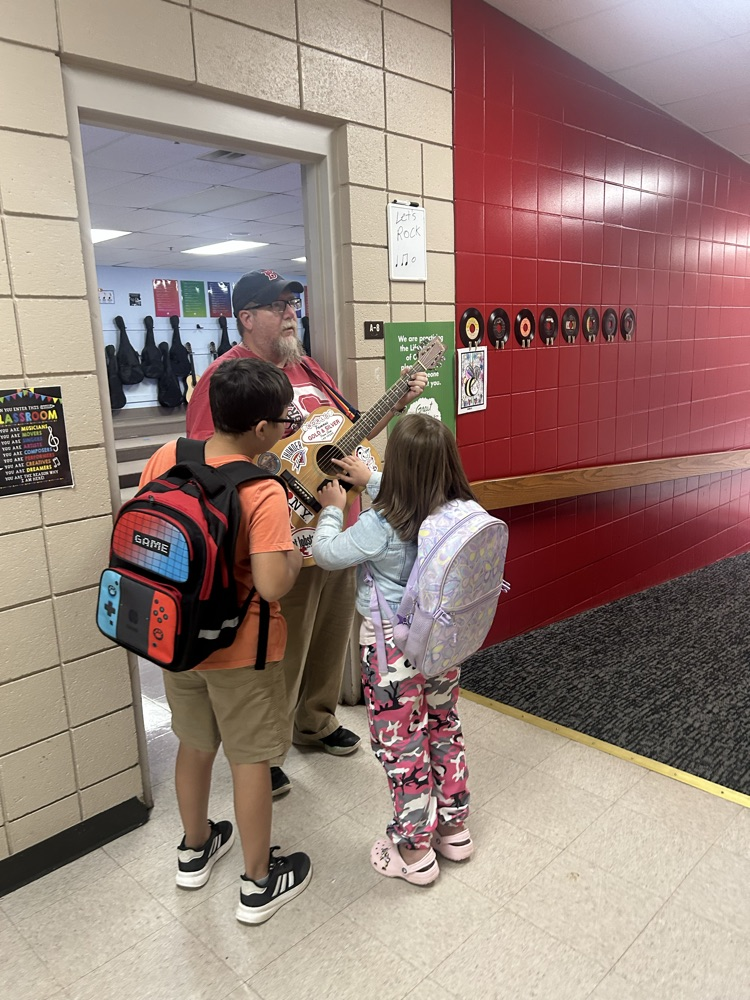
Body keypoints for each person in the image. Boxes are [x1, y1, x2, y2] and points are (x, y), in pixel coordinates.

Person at [185, 269, 427, 797]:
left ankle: (314, 722)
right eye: (277, 305)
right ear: (246, 318)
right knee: (281, 649)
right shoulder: (224, 379)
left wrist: (398, 404)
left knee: (329, 636)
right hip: (277, 537)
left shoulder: (310, 370)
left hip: (339, 529)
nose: (291, 311)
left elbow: (350, 433)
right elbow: (208, 459)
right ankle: (265, 752)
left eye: (293, 302)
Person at [140, 357, 311, 924]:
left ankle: (194, 850)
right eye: (284, 420)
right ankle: (259, 883)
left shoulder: (169, 456)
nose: (287, 427)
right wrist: (295, 557)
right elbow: (269, 582)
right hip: (243, 650)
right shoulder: (262, 489)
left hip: (178, 637)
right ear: (261, 430)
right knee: (249, 760)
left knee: (193, 744)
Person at [311, 414, 475, 886]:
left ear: (398, 467)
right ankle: (454, 830)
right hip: (442, 645)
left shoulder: (379, 524)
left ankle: (413, 850)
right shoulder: (455, 509)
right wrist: (372, 479)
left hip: (390, 650)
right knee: (443, 727)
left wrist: (331, 508)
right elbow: (416, 489)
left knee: (402, 745)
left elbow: (327, 554)